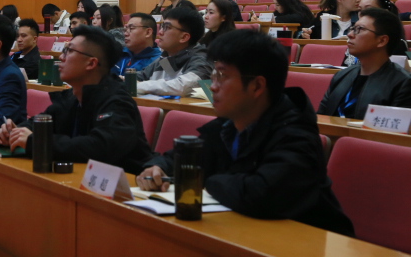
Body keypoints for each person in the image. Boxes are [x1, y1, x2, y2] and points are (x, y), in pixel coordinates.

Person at [137, 30, 355, 237]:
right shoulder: (230, 123)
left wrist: (204, 180)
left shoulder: (296, 135)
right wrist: (158, 168)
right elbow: (185, 157)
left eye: (222, 76)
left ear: (257, 86)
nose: (212, 87)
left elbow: (261, 195)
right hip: (247, 232)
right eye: (213, 75)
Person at [0, 25, 153, 174]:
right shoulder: (72, 97)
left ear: (91, 63)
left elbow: (99, 147)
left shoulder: (117, 101)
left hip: (126, 185)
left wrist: (36, 141)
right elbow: (40, 123)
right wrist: (12, 133)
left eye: (69, 51)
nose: (61, 57)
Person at [317, 8, 411, 119]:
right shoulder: (341, 76)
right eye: (352, 28)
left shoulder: (403, 84)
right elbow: (319, 119)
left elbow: (394, 128)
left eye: (359, 29)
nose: (350, 34)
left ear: (382, 41)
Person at [137, 6, 213, 96]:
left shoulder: (202, 59)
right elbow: (137, 77)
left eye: (167, 27)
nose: (160, 32)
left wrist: (137, 85)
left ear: (184, 37)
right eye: (162, 26)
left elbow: (183, 87)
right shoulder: (165, 58)